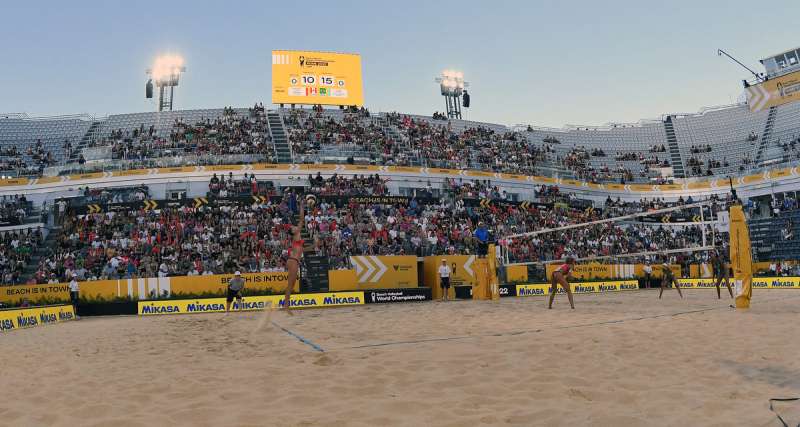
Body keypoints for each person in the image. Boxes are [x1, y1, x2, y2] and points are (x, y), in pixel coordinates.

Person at [282, 196, 305, 311]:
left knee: (291, 284)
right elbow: (301, 219)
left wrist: (315, 245)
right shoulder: (296, 235)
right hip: (293, 261)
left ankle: (286, 305)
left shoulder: (297, 237)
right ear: (293, 232)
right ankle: (286, 305)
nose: (295, 226)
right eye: (293, 227)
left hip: (294, 261)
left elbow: (301, 220)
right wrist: (301, 205)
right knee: (290, 284)